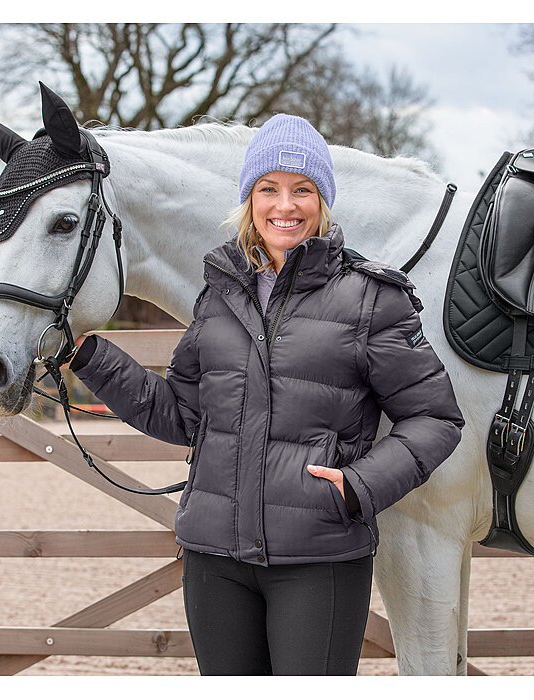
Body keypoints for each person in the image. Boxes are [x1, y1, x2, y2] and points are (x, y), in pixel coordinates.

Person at [68, 114, 464, 675]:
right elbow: (182, 416)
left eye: (302, 190)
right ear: (249, 200)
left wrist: (358, 486)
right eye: (269, 189)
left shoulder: (373, 299)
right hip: (213, 560)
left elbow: (436, 418)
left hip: (318, 559)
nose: (285, 205)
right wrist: (90, 357)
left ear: (323, 201)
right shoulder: (219, 295)